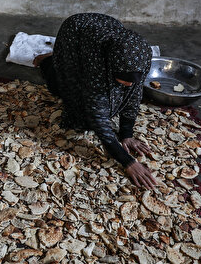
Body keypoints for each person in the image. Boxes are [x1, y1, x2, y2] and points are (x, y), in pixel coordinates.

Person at [34, 13, 158, 189]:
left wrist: (126, 134)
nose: (128, 85)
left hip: (103, 30)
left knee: (123, 88)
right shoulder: (98, 62)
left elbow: (134, 94)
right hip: (76, 32)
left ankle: (53, 59)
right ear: (110, 67)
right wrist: (126, 160)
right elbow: (96, 115)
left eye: (132, 80)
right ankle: (47, 61)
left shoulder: (139, 57)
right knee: (65, 88)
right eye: (122, 79)